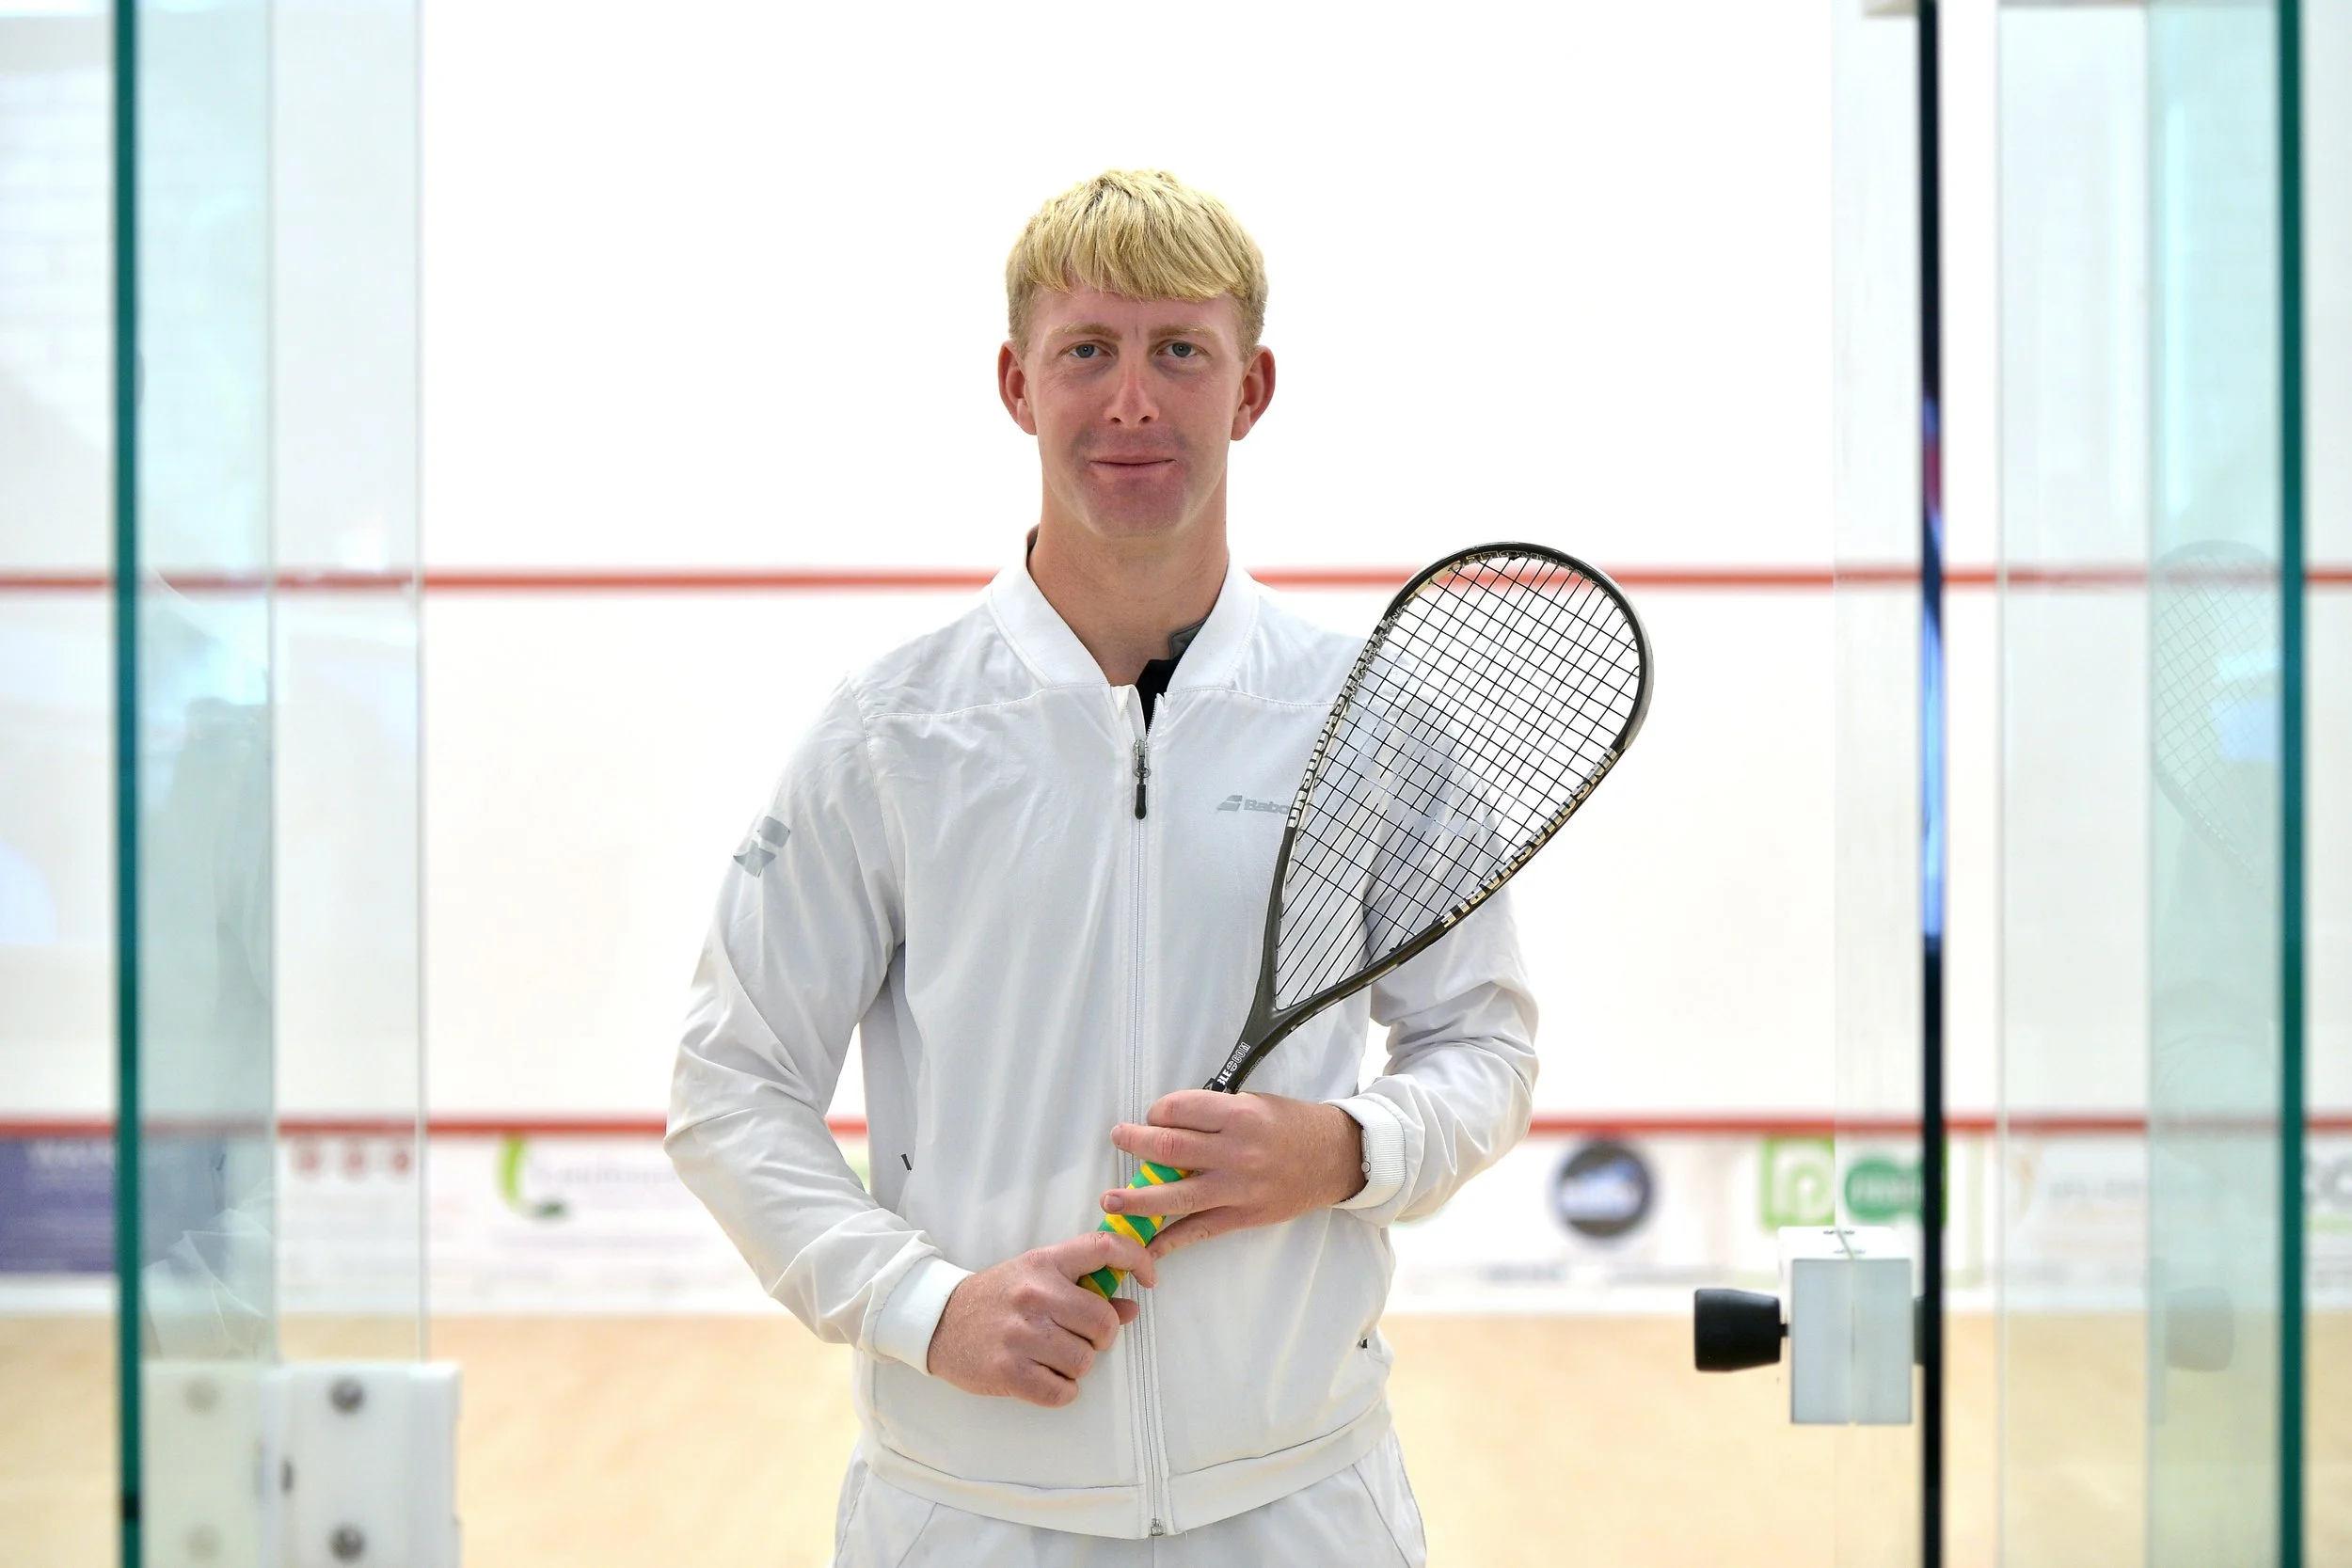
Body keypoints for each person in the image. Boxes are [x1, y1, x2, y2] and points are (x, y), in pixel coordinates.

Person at [668, 169, 1536, 1567]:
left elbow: (1481, 1043)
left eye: (1178, 351)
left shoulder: (1365, 716)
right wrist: (921, 1303)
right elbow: (730, 1087)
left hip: (1302, 1506)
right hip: (965, 1515)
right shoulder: (893, 732)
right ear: (1018, 384)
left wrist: (1347, 1149)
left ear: (1250, 389)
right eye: (1090, 351)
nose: (1133, 400)